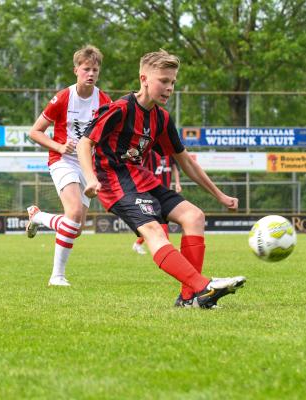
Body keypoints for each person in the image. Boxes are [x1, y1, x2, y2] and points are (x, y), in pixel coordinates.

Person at [77, 49, 246, 309]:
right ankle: (204, 287)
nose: (169, 88)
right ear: (144, 79)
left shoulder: (162, 118)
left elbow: (185, 160)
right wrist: (90, 178)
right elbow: (84, 144)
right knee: (154, 231)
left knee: (194, 217)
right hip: (114, 182)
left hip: (143, 179)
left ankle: (190, 298)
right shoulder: (120, 109)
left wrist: (219, 195)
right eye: (163, 81)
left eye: (173, 82)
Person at [26, 45, 112, 286]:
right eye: (86, 69)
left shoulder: (105, 101)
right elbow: (35, 132)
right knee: (72, 214)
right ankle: (57, 276)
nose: (91, 73)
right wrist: (59, 147)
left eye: (95, 69)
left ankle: (38, 216)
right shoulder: (64, 97)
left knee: (76, 228)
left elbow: (108, 138)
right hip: (62, 160)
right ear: (76, 70)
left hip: (88, 167)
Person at [132, 151, 181, 255]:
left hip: (165, 192)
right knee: (160, 221)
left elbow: (174, 168)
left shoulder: (169, 153)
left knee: (159, 222)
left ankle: (138, 244)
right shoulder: (150, 153)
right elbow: (142, 168)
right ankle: (168, 249)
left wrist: (177, 183)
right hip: (153, 191)